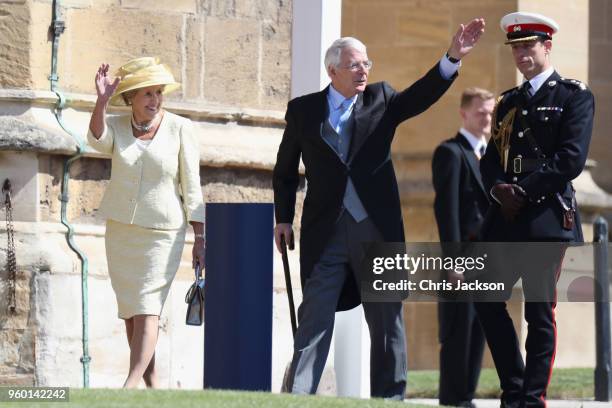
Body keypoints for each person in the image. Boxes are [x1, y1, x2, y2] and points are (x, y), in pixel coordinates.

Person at [273, 18, 486, 399]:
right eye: (355, 64)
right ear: (332, 70)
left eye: (367, 64)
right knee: (315, 317)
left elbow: (420, 96)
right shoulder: (303, 111)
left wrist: (452, 57)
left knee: (387, 321)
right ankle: (299, 396)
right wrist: (284, 218)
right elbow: (285, 169)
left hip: (377, 230)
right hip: (326, 233)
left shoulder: (381, 99)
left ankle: (390, 398)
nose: (364, 70)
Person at [475, 12, 594, 408]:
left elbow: (570, 160)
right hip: (504, 220)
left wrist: (521, 192)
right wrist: (497, 188)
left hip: (545, 220)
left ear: (547, 46)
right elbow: (490, 157)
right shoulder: (508, 101)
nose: (522, 54)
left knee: (539, 313)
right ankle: (513, 387)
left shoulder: (574, 96)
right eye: (516, 48)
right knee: (487, 299)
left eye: (528, 46)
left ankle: (532, 397)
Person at [87, 57, 206, 388]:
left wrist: (200, 237)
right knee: (131, 312)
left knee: (148, 307)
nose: (155, 100)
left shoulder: (182, 128)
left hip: (162, 233)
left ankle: (129, 385)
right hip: (122, 232)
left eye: (159, 93)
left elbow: (192, 185)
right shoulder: (118, 126)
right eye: (147, 94)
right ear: (131, 99)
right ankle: (153, 389)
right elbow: (96, 139)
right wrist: (101, 100)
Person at [432, 87, 494, 408]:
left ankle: (466, 397)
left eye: (490, 112)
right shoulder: (450, 153)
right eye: (481, 112)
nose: (487, 118)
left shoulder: (491, 155)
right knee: (459, 331)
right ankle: (453, 400)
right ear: (464, 113)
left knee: (480, 330)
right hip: (462, 262)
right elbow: (447, 212)